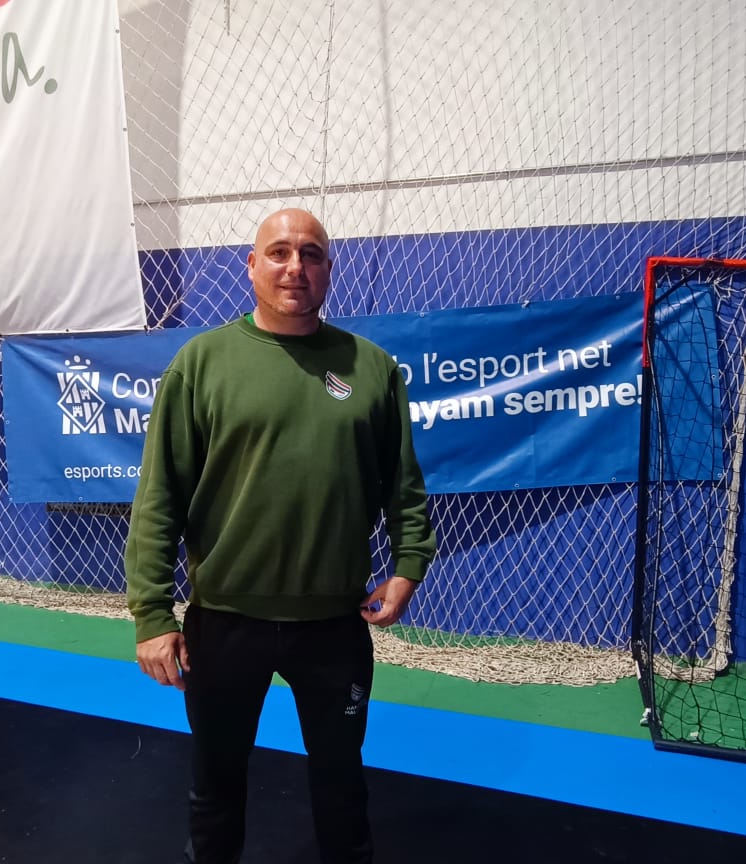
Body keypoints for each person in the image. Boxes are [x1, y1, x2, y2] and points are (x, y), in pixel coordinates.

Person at [124, 208, 436, 864]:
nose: (295, 266)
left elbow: (403, 486)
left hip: (334, 626)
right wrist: (151, 614)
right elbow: (159, 499)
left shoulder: (372, 368)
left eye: (311, 253)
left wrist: (409, 564)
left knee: (341, 786)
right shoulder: (201, 364)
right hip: (224, 623)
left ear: (328, 269)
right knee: (215, 783)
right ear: (251, 265)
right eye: (279, 252)